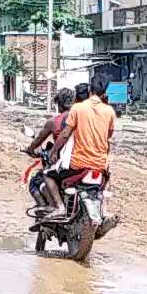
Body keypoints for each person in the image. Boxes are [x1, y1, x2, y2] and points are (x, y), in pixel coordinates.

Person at [40, 76, 117, 219]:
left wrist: (53, 151)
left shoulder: (78, 108)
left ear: (89, 90)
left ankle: (60, 207)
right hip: (100, 165)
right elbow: (109, 135)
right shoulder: (110, 111)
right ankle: (104, 210)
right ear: (105, 92)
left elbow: (65, 134)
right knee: (107, 179)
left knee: (47, 174)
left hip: (78, 164)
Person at [24, 87, 76, 209]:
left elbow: (37, 141)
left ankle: (53, 208)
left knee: (37, 181)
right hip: (84, 161)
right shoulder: (82, 119)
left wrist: (30, 150)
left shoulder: (54, 122)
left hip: (65, 162)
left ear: (59, 104)